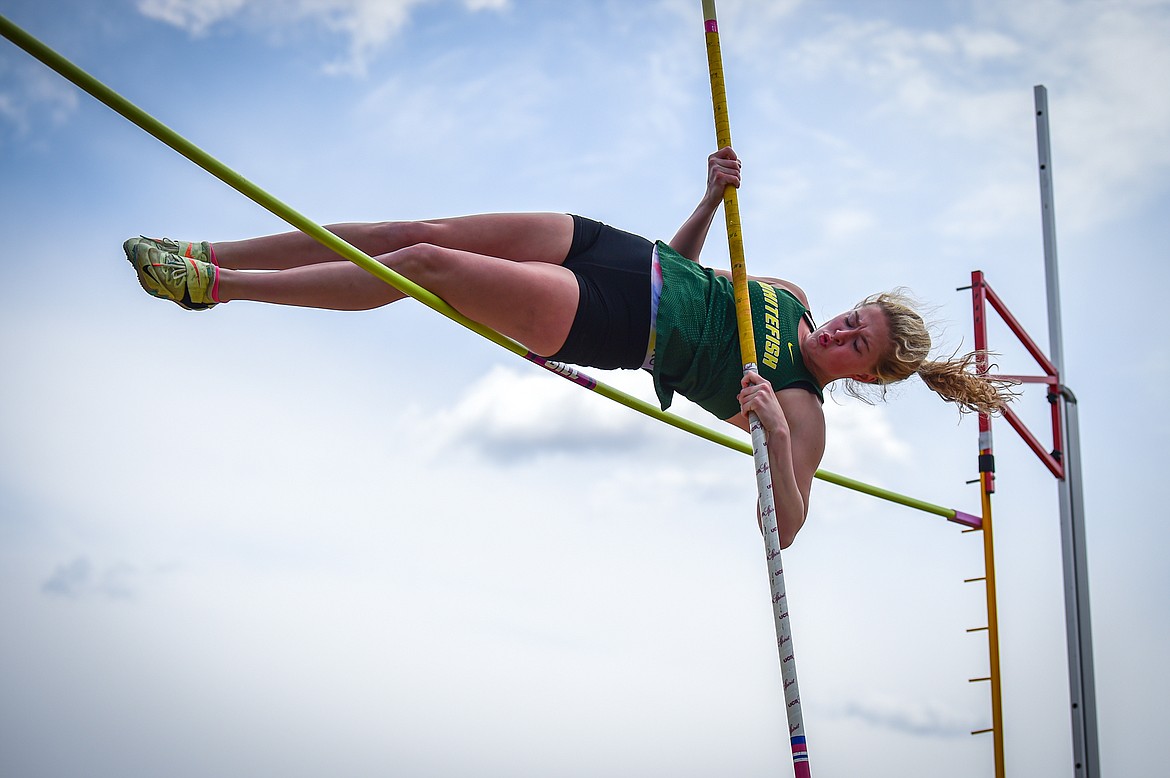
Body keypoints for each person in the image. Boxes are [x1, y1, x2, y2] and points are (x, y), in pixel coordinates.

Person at [124, 147, 1013, 548]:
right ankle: (212, 254)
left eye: (862, 345)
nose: (846, 331)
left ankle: (218, 289)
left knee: (427, 264)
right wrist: (704, 203)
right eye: (859, 316)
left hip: (611, 324)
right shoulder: (791, 295)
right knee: (411, 225)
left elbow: (787, 527)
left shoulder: (803, 410)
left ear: (868, 376)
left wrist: (774, 439)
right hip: (621, 252)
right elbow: (689, 272)